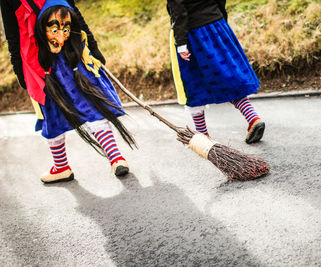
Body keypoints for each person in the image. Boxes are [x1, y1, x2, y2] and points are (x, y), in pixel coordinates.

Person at [0, 0, 135, 183]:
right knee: (89, 103)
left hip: (38, 62)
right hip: (70, 53)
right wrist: (93, 48)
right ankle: (116, 158)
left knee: (50, 113)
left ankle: (61, 167)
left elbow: (13, 36)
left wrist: (20, 72)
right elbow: (74, 13)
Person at [167, 0, 265, 144]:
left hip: (192, 33)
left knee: (194, 84)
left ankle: (202, 135)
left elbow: (178, 10)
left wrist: (181, 43)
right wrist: (221, 20)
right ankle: (253, 118)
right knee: (228, 76)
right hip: (217, 25)